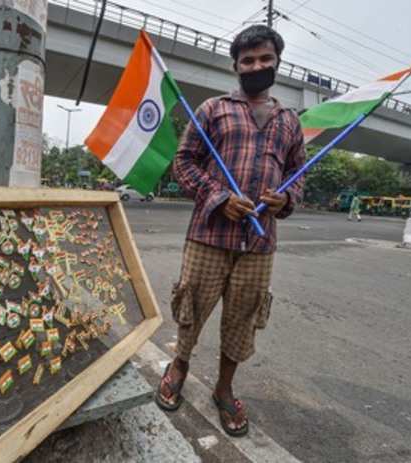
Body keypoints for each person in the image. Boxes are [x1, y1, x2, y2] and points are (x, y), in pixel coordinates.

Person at [155, 25, 305, 437]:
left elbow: (298, 174)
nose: (257, 66)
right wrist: (220, 197)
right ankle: (179, 368)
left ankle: (224, 387)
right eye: (248, 60)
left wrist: (285, 198)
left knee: (242, 318)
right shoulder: (212, 109)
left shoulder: (290, 121)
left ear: (277, 62)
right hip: (208, 236)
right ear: (236, 66)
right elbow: (184, 162)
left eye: (265, 59)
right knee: (191, 309)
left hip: (259, 243)